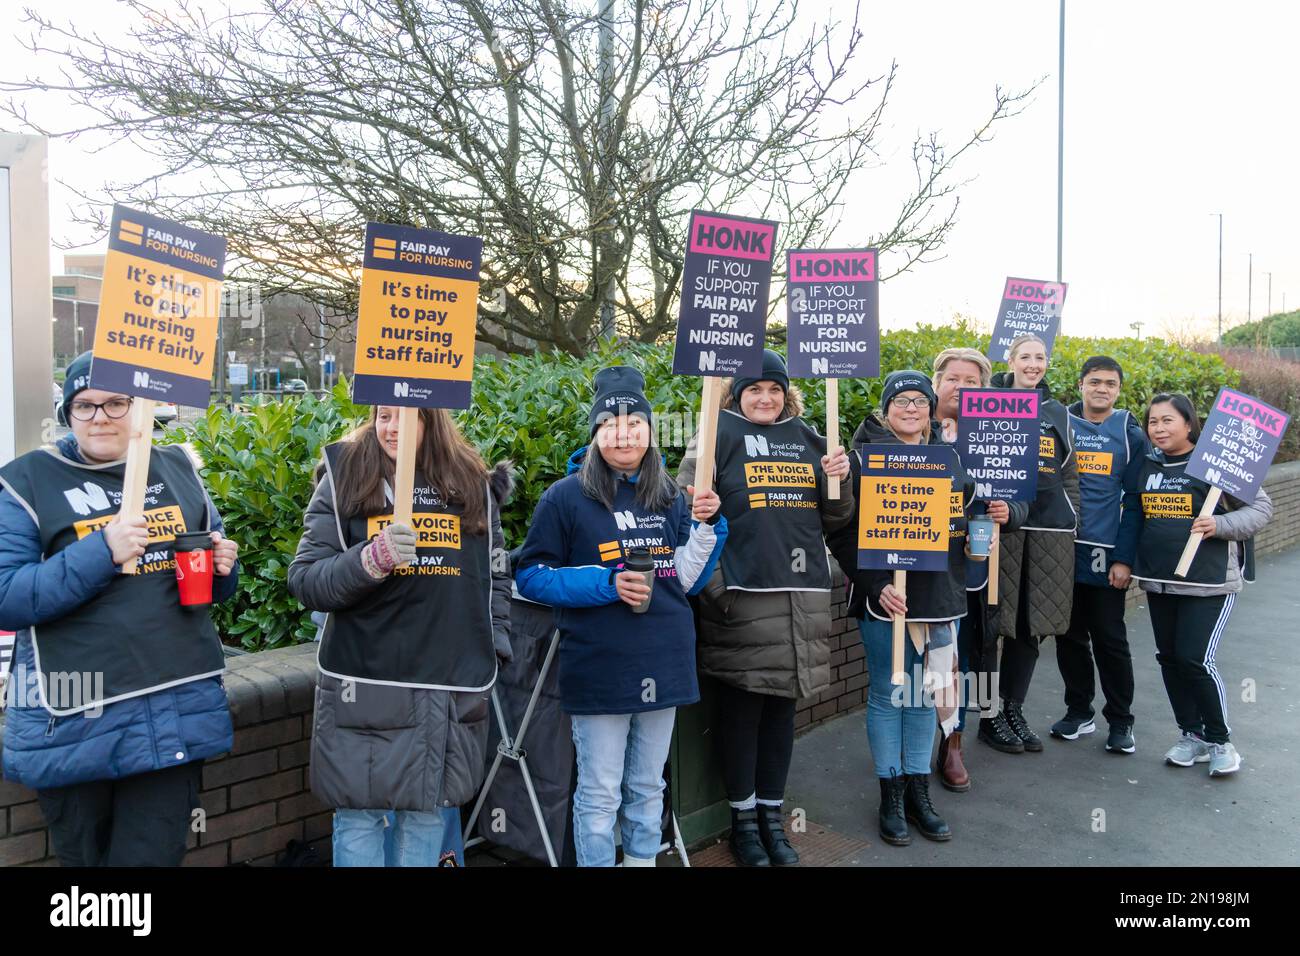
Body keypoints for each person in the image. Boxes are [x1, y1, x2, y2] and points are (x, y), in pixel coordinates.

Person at [0, 350, 239, 866]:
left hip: (170, 706)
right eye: (84, 405)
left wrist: (222, 567)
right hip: (73, 716)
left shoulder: (178, 469)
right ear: (66, 413)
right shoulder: (23, 484)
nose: (101, 416)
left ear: (142, 407)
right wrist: (101, 552)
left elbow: (208, 592)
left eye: (116, 402)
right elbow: (8, 597)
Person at [515, 366, 726, 867]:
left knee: (648, 785)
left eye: (636, 423)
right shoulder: (565, 497)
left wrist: (711, 527)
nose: (624, 432)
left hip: (666, 659)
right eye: (611, 423)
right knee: (600, 792)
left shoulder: (675, 497)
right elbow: (531, 576)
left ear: (651, 434)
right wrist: (606, 584)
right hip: (599, 664)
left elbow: (689, 580)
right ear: (595, 434)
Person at [288, 403, 513, 866]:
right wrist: (371, 560)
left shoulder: (471, 481)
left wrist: (496, 646)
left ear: (433, 420)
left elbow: (495, 577)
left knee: (427, 815)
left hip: (446, 684)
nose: (392, 427)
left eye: (407, 416)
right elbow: (307, 579)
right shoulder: (345, 476)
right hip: (367, 683)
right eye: (383, 415)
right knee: (359, 815)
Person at [677, 349, 852, 866]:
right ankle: (743, 823)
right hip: (743, 602)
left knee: (781, 712)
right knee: (741, 713)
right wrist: (718, 590)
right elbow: (689, 519)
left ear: (786, 394)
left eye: (774, 389)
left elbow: (837, 517)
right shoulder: (714, 435)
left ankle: (773, 818)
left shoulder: (808, 438)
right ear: (736, 393)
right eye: (754, 389)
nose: (765, 398)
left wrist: (838, 478)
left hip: (801, 600)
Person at [828, 370, 976, 846]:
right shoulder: (859, 459)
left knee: (924, 694)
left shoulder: (951, 459)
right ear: (886, 407)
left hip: (938, 597)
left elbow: (967, 523)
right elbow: (840, 531)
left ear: (931, 408)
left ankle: (918, 790)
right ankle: (889, 793)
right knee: (891, 692)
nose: (911, 408)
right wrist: (874, 586)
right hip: (884, 599)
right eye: (901, 400)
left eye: (920, 400)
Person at [1112, 393, 1271, 776]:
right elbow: (1134, 513)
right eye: (1153, 422)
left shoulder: (1215, 465)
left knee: (1194, 659)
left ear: (1188, 424)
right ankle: (1192, 735)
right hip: (1159, 581)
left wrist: (1220, 525)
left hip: (1209, 585)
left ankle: (1221, 741)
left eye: (1167, 420)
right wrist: (1123, 560)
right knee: (1169, 659)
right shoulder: (1146, 465)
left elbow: (1261, 508)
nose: (1159, 429)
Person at [930, 347, 1026, 790]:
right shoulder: (913, 422)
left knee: (966, 659)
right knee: (924, 662)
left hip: (974, 566)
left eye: (972, 381)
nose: (961, 387)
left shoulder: (1000, 431)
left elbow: (1026, 489)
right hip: (921, 564)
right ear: (937, 382)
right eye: (953, 378)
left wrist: (1013, 511)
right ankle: (912, 748)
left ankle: (954, 745)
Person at [984, 333, 1080, 754]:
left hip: (1048, 531)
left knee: (1030, 627)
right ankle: (988, 714)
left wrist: (1070, 513)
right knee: (992, 625)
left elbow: (1071, 473)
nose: (1033, 364)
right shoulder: (986, 400)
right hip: (1002, 527)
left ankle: (1012, 708)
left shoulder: (1058, 412)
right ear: (1011, 359)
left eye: (1040, 357)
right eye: (1025, 356)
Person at [1053, 356, 1148, 753]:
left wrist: (1124, 559)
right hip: (1062, 549)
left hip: (1107, 555)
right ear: (1081, 385)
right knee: (1069, 636)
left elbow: (1137, 500)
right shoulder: (1060, 424)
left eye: (1110, 383)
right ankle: (1079, 711)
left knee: (1110, 639)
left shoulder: (1130, 433)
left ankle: (1121, 720)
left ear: (1118, 389)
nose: (1102, 389)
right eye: (1095, 381)